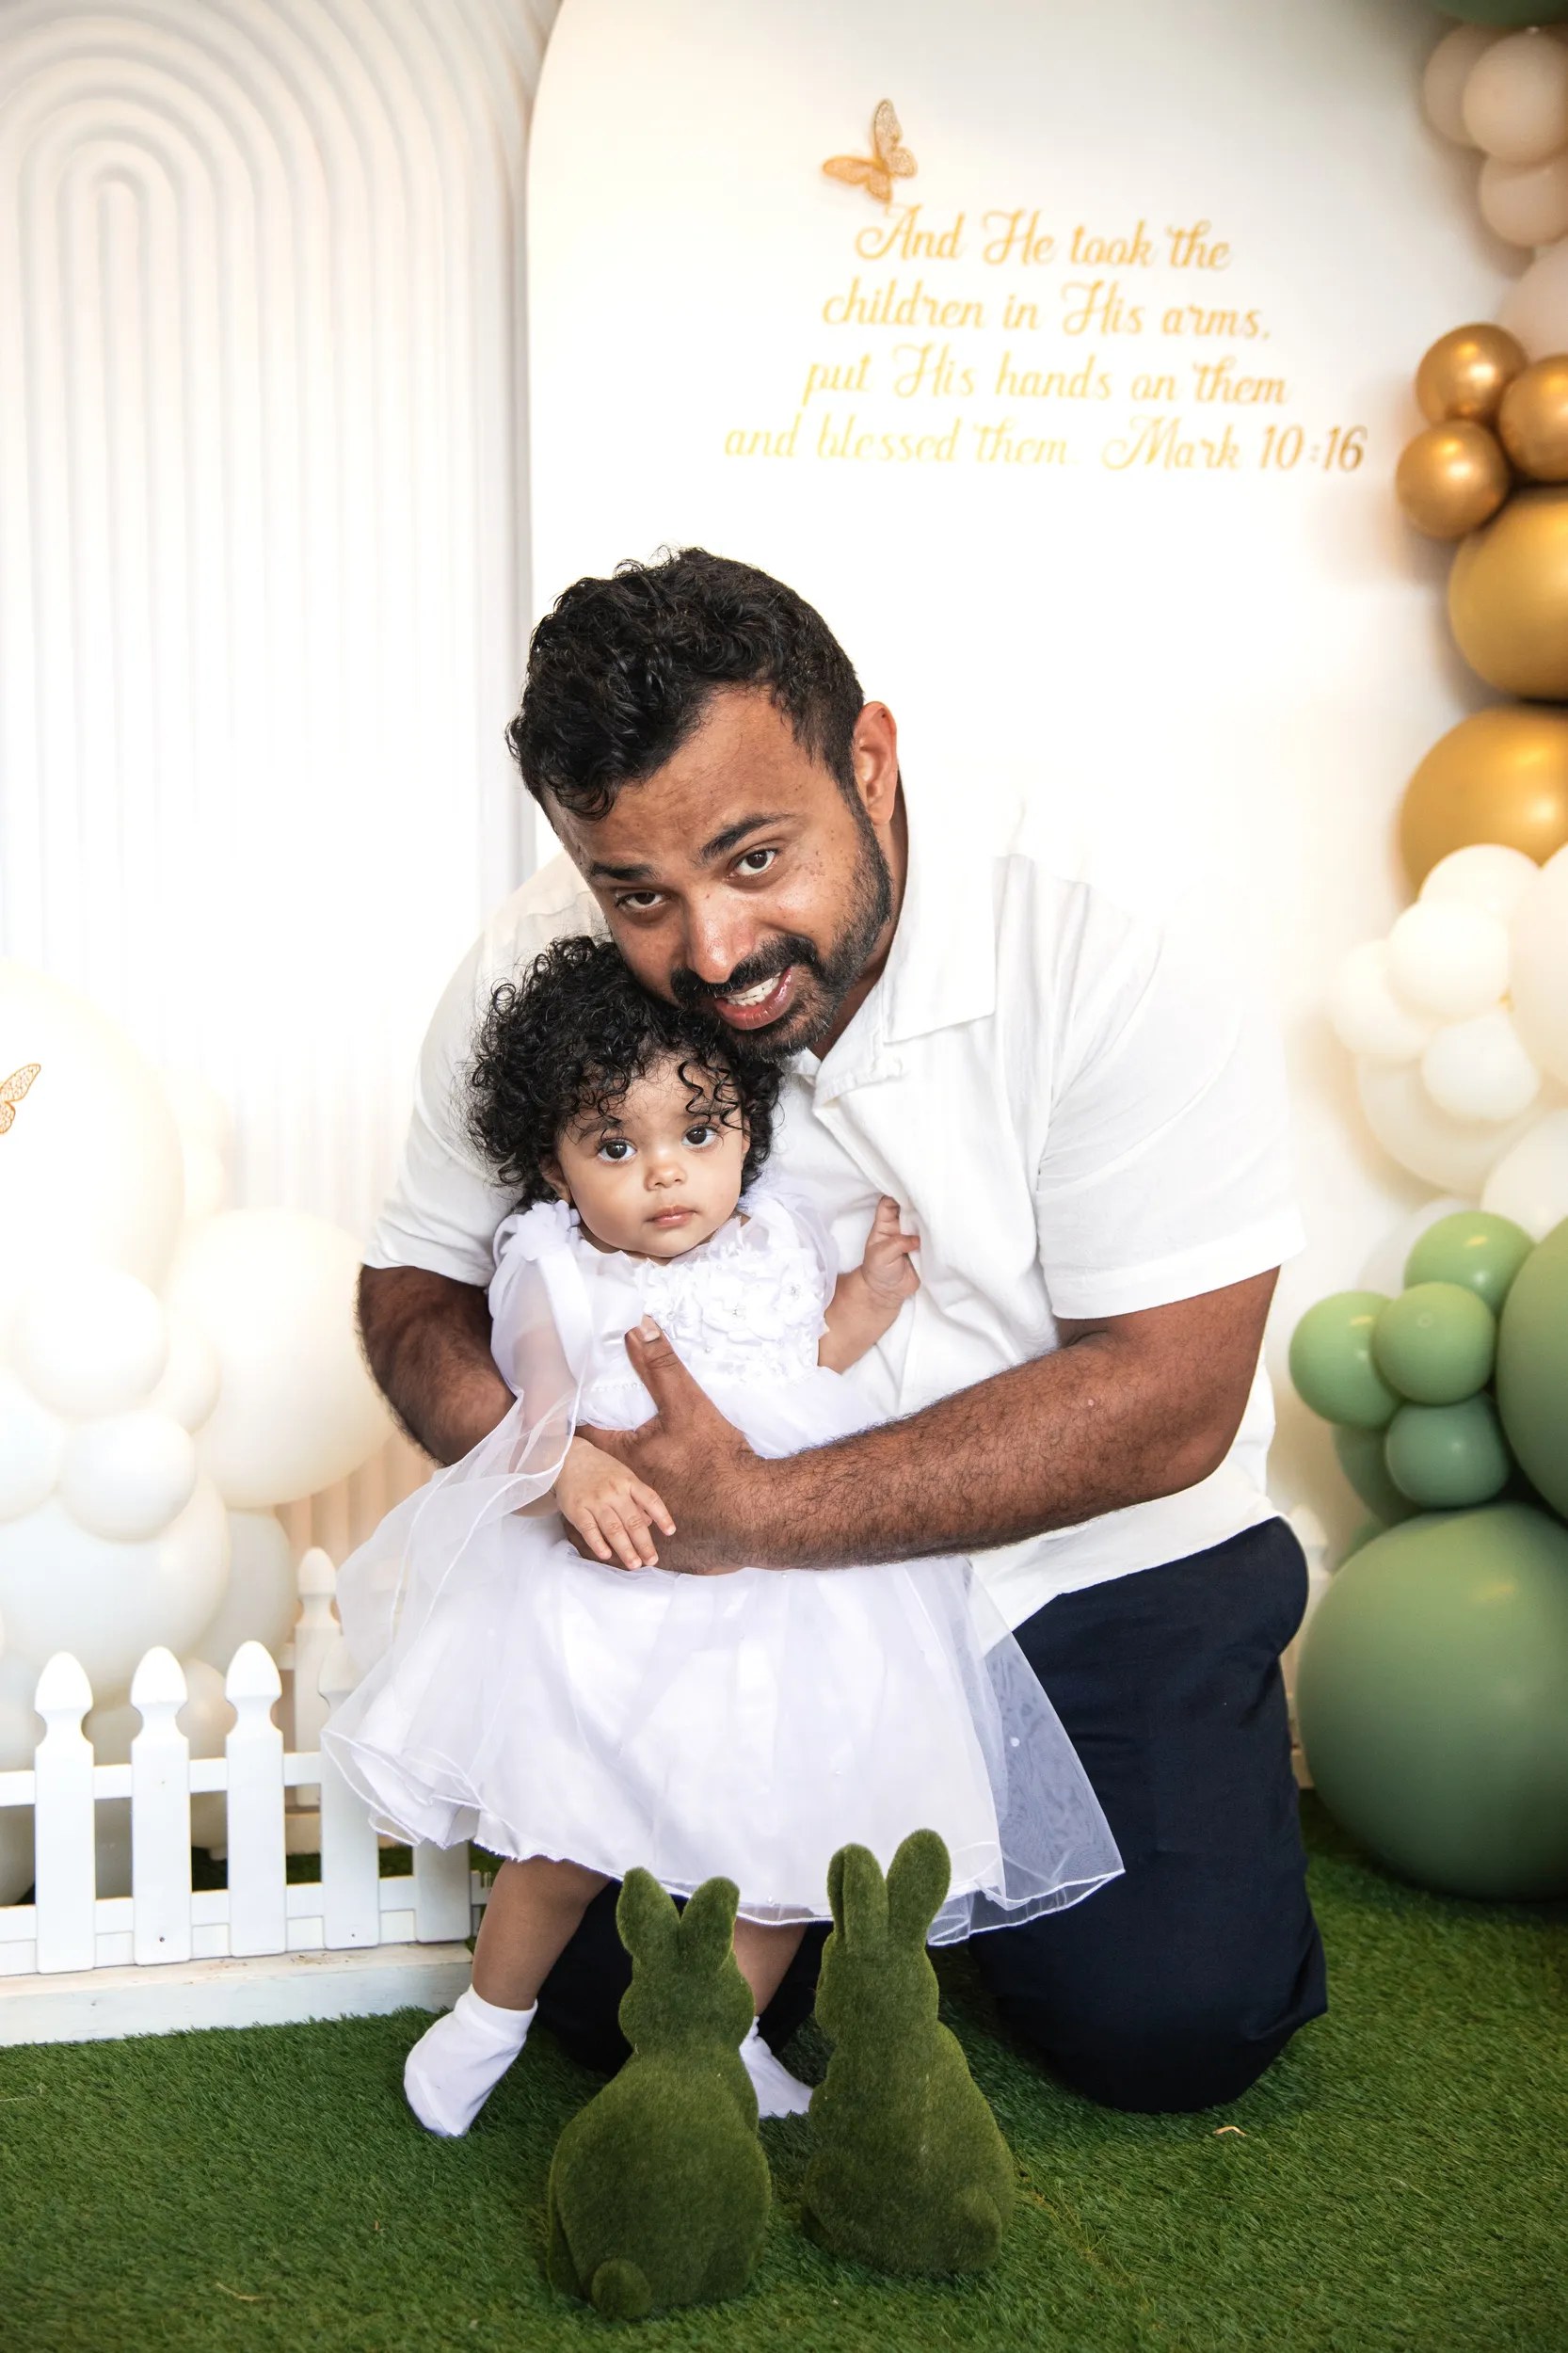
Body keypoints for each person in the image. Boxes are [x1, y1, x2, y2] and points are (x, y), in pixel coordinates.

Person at [360, 548, 1327, 2114]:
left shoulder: (1109, 931)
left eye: (757, 858)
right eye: (639, 894)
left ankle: (992, 1876)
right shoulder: (542, 963)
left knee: (1169, 2024)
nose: (714, 954)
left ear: (868, 763)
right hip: (694, 1593)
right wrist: (549, 1459)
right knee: (614, 2008)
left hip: (1084, 1559)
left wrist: (769, 1512)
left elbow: (1169, 1394)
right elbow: (414, 1294)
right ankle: (851, 1883)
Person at [326, 936, 1120, 2136]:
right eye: (614, 1147)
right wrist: (577, 1465)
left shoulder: (774, 1237)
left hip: (791, 1582)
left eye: (698, 1135)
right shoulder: (554, 1264)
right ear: (552, 1163)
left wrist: (870, 1299)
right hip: (624, 1582)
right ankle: (487, 2017)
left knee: (791, 1832)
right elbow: (533, 1406)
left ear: (746, 1128)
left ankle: (727, 2038)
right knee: (568, 1827)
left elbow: (808, 1360)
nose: (664, 1176)